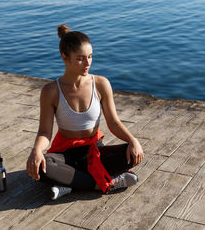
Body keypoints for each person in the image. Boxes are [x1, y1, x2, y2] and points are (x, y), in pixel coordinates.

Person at [26, 24, 144, 200]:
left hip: (93, 151)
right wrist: (36, 150)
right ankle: (102, 183)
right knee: (42, 166)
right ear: (65, 58)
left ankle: (69, 185)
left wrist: (133, 140)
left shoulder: (101, 84)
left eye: (90, 57)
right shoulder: (51, 91)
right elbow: (45, 132)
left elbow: (113, 122)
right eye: (81, 58)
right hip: (65, 154)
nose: (87, 63)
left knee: (131, 154)